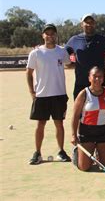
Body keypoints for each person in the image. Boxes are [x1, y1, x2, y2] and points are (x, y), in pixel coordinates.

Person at [26, 24, 72, 164]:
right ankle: (37, 153)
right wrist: (32, 92)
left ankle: (61, 151)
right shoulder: (36, 53)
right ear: (43, 35)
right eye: (47, 33)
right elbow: (29, 72)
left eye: (52, 33)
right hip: (42, 95)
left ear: (56, 35)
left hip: (59, 94)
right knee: (41, 124)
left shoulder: (62, 52)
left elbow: (69, 64)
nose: (50, 36)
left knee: (59, 124)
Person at [71, 67, 105, 171]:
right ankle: (77, 153)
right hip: (87, 132)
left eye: (100, 77)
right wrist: (74, 135)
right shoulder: (84, 93)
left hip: (104, 131)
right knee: (84, 167)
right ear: (89, 78)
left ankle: (99, 152)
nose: (97, 79)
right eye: (94, 76)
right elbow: (75, 115)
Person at [66, 14, 105, 99]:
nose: (89, 24)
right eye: (86, 22)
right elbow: (64, 55)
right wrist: (72, 64)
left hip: (100, 83)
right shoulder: (74, 40)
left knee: (103, 111)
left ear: (95, 24)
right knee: (80, 111)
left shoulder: (103, 40)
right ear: (81, 24)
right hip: (81, 84)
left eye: (91, 22)